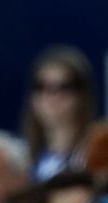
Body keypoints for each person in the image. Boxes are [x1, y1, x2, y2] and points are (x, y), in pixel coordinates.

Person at [22, 45, 98, 181]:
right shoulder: (21, 161)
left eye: (64, 86)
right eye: (41, 86)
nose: (52, 95)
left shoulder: (99, 152)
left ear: (82, 96)